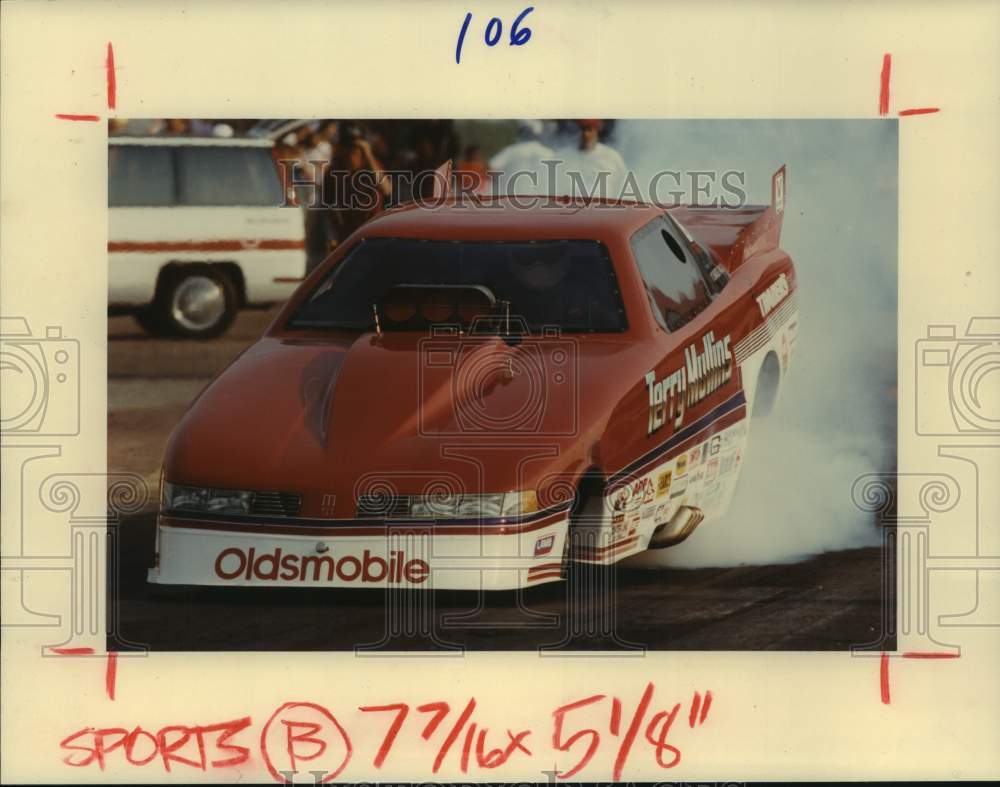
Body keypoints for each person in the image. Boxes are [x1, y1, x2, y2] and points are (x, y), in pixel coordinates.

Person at [327, 123, 393, 244]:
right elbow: (330, 206)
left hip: (373, 232)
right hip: (349, 235)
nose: (352, 155)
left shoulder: (372, 168)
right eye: (349, 150)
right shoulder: (336, 171)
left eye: (357, 151)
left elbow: (387, 189)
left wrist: (368, 154)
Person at [554, 119, 628, 199]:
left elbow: (624, 189)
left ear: (597, 130)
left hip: (603, 209)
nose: (585, 134)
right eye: (583, 129)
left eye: (589, 129)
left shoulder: (611, 158)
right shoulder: (563, 156)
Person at [488, 119, 555, 195]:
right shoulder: (548, 153)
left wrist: (498, 188)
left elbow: (493, 169)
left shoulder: (511, 151)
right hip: (540, 196)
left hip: (513, 196)